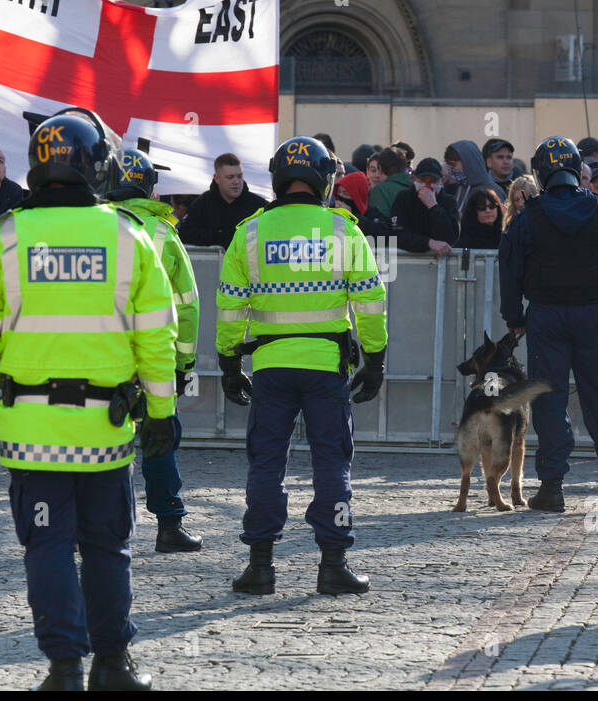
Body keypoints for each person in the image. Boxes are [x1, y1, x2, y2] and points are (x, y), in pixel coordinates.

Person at [0, 110, 178, 692]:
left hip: (29, 431)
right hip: (105, 432)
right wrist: (162, 411)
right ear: (98, 167)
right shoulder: (128, 236)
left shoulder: (4, 237)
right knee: (108, 549)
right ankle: (113, 665)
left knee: (47, 547)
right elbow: (156, 335)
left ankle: (62, 670)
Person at [216, 136, 387, 596]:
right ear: (326, 179)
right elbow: (370, 300)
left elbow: (230, 307)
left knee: (266, 462)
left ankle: (260, 567)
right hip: (326, 366)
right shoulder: (343, 230)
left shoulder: (250, 232)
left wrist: (229, 364)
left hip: (271, 366)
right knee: (332, 461)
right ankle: (333, 565)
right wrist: (375, 360)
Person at [498, 136, 598, 513]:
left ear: (541, 174)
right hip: (593, 315)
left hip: (545, 316)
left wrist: (514, 319)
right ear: (578, 172)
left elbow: (509, 272)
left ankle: (552, 488)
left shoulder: (527, 219)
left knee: (549, 400)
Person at [105, 146, 204, 554]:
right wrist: (183, 363)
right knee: (160, 437)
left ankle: (100, 527)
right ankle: (168, 526)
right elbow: (188, 303)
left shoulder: (92, 226)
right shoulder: (163, 232)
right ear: (152, 191)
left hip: (102, 353)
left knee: (103, 442)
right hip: (153, 356)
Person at [176, 153, 268, 248]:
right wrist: (219, 237)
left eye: (239, 176)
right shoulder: (202, 204)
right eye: (230, 177)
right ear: (217, 178)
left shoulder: (258, 205)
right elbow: (184, 234)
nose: (236, 182)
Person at [392, 157, 459, 254]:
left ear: (442, 180)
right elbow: (397, 235)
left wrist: (433, 206)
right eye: (423, 180)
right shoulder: (403, 198)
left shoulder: (448, 201)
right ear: (414, 178)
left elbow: (451, 236)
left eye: (433, 181)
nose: (427, 185)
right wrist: (428, 243)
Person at [447, 139, 505, 207]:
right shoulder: (458, 187)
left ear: (468, 163)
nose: (450, 169)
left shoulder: (494, 191)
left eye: (453, 165)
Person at [365, 146, 413, 223]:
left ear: (380, 168)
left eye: (376, 169)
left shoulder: (381, 190)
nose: (376, 175)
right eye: (373, 170)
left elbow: (380, 227)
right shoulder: (417, 187)